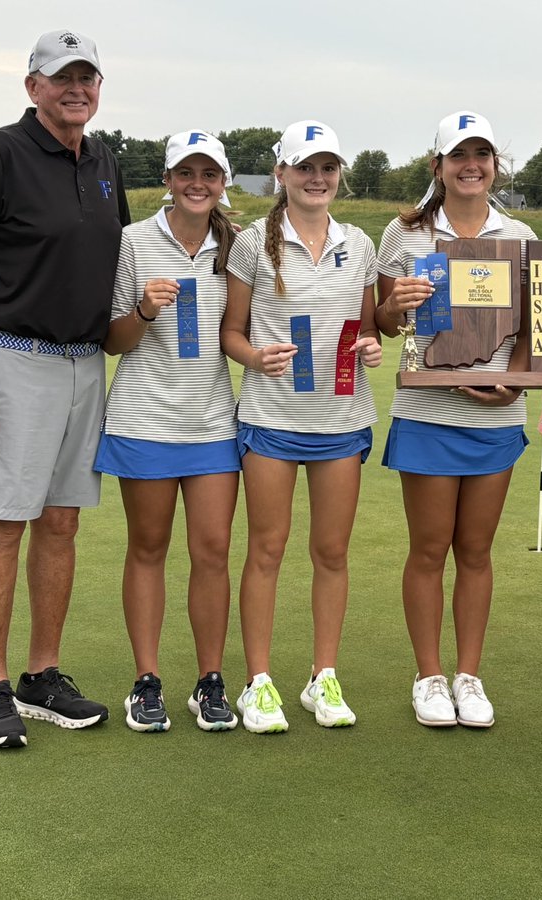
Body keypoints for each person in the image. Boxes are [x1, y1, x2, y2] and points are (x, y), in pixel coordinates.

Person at [0, 29, 128, 750]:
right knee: (5, 521)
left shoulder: (104, 159)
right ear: (33, 87)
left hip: (85, 362)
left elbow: (119, 267)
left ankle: (41, 675)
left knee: (63, 522)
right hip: (14, 359)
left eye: (88, 77)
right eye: (62, 77)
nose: (77, 88)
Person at [375, 110, 537, 729]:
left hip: (494, 419)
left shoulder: (518, 235)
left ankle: (469, 676)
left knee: (476, 550)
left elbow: (534, 328)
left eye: (483, 155)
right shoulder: (404, 233)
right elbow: (386, 323)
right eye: (459, 156)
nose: (472, 166)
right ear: (438, 166)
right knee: (429, 548)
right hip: (426, 413)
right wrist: (396, 304)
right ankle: (430, 676)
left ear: (495, 165)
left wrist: (512, 383)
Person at [222, 120, 381, 733]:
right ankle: (259, 681)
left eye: (328, 167)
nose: (318, 179)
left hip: (341, 418)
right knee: (266, 548)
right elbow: (231, 333)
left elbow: (366, 328)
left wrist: (370, 348)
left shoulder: (360, 244)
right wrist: (255, 358)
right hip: (271, 417)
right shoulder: (250, 245)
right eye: (305, 167)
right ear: (282, 174)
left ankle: (324, 676)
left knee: (331, 552)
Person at [95, 130, 240, 733]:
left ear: (223, 183)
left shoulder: (236, 246)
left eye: (209, 173)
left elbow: (242, 329)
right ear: (168, 180)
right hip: (142, 420)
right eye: (186, 173)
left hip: (211, 422)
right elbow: (112, 340)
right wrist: (146, 311)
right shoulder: (131, 241)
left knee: (211, 553)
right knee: (148, 550)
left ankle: (209, 680)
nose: (197, 183)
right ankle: (146, 681)